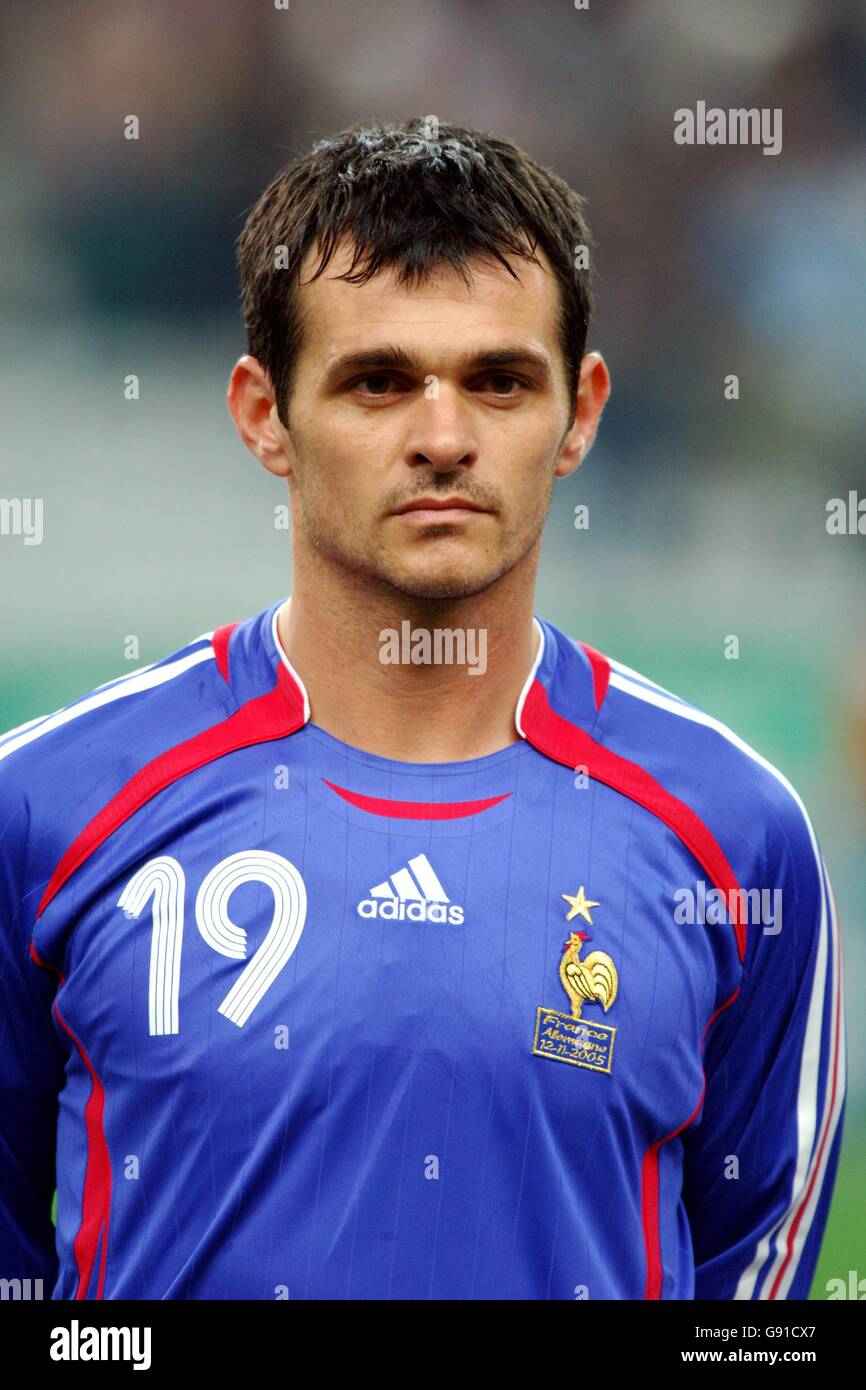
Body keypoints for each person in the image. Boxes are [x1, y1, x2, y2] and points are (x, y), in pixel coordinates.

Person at [0, 118, 845, 1300]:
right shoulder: (41, 809)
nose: (442, 439)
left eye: (499, 382)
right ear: (262, 414)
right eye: (378, 381)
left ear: (581, 412)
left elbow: (756, 1289)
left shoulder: (735, 833)